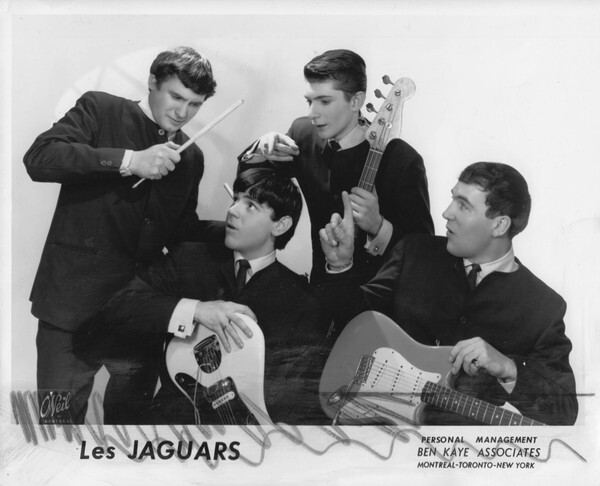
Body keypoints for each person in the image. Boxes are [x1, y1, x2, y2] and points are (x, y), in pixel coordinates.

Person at [23, 46, 219, 424]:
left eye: (195, 104)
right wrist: (131, 160)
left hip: (138, 315)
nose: (183, 112)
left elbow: (182, 232)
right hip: (71, 307)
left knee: (131, 431)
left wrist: (245, 226)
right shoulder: (101, 108)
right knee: (58, 429)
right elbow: (40, 157)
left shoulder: (191, 157)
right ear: (152, 82)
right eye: (176, 97)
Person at [320, 162, 578, 425]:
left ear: (500, 225)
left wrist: (508, 368)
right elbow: (353, 323)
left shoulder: (544, 306)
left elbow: (564, 411)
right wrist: (340, 264)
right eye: (453, 198)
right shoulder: (413, 251)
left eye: (463, 205)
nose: (446, 213)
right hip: (381, 430)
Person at [74, 168, 330, 425]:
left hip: (249, 437)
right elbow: (118, 308)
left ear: (280, 225)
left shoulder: (302, 299)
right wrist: (195, 310)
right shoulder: (188, 257)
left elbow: (299, 397)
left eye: (250, 205)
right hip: (172, 429)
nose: (233, 210)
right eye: (235, 199)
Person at [238, 49, 434, 287]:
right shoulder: (303, 134)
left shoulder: (402, 160)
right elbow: (250, 184)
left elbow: (424, 253)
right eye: (309, 101)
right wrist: (260, 148)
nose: (312, 113)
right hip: (322, 286)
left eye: (324, 101)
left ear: (356, 101)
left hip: (379, 299)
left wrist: (378, 226)